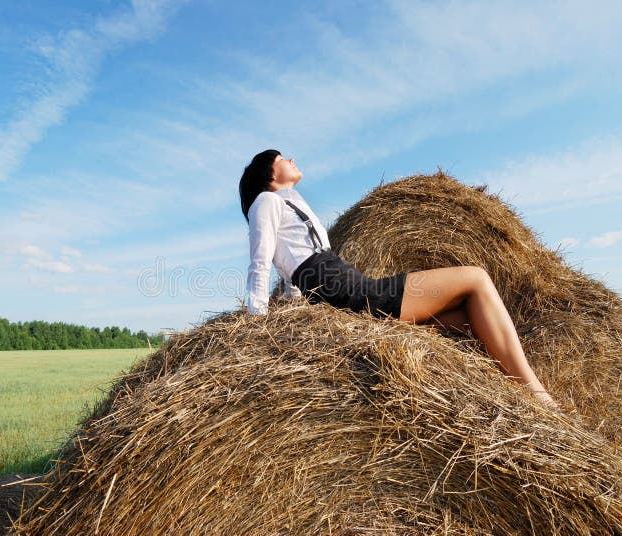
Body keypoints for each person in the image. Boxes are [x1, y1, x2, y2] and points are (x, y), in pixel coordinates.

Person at [239, 149, 559, 412]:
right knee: (476, 278)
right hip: (349, 292)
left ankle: (514, 400)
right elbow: (262, 260)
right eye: (282, 158)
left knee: (466, 321)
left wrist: (298, 309)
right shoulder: (265, 202)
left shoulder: (290, 201)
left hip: (343, 287)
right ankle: (538, 396)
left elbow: (292, 269)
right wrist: (260, 323)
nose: (292, 159)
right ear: (269, 173)